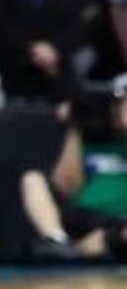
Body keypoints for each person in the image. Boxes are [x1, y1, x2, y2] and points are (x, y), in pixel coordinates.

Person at [19, 79, 127, 262]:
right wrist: (75, 126)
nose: (119, 111)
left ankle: (99, 246)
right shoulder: (91, 139)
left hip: (120, 220)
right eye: (118, 104)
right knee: (32, 178)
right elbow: (66, 185)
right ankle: (58, 242)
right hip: (86, 216)